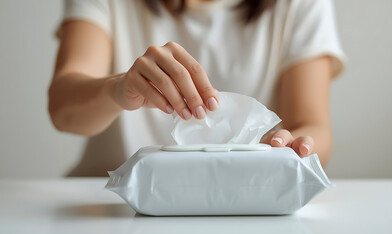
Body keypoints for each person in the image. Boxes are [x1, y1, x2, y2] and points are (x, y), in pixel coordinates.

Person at [49, 0, 346, 176]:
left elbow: (313, 127)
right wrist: (119, 89)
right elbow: (62, 108)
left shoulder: (299, 5)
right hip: (104, 209)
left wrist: (290, 147)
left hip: (242, 208)